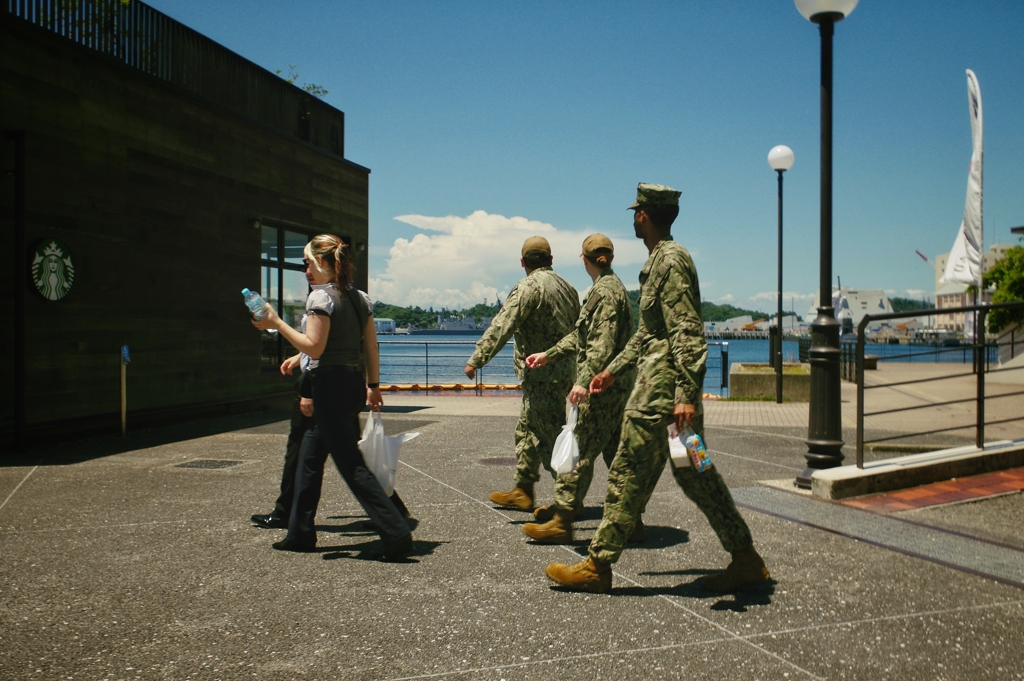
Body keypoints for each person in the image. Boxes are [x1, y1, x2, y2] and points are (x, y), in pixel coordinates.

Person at [545, 183, 770, 593]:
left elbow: (687, 330)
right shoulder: (659, 262)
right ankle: (746, 560)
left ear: (644, 215)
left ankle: (597, 565)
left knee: (628, 468)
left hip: (660, 394)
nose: (634, 218)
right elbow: (649, 333)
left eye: (636, 212)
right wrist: (612, 371)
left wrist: (684, 395)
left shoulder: (670, 261)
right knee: (697, 474)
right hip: (666, 389)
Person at [253, 234, 412, 561]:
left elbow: (315, 348)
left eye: (308, 264)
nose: (306, 271)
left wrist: (276, 322)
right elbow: (370, 346)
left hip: (330, 386)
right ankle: (299, 532)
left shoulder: (320, 299)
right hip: (352, 383)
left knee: (352, 466)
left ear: (324, 263)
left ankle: (396, 533)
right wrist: (373, 385)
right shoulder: (359, 298)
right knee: (309, 459)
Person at [521, 234, 643, 544]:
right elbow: (581, 336)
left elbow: (600, 346)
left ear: (584, 260)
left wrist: (582, 382)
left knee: (578, 451)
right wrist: (549, 354)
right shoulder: (612, 288)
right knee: (617, 455)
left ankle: (563, 520)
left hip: (602, 389)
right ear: (610, 258)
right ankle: (631, 521)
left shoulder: (604, 293)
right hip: (616, 387)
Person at [464, 236, 580, 511]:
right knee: (527, 431)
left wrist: (477, 359)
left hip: (541, 374)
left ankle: (569, 501)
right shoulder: (568, 288)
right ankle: (523, 489)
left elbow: (502, 325)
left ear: (522, 262)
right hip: (564, 370)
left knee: (550, 437)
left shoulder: (528, 288)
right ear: (551, 260)